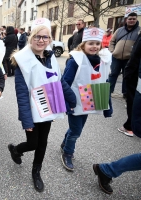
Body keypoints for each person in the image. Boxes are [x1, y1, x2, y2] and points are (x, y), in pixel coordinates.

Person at [8, 18, 76, 192]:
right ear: (31, 38)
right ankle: (16, 149)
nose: (41, 40)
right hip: (32, 110)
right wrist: (27, 121)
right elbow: (22, 94)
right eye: (37, 36)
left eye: (45, 37)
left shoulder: (51, 57)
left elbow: (58, 81)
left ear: (50, 39)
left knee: (43, 142)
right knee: (33, 143)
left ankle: (36, 171)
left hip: (49, 107)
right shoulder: (22, 61)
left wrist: (71, 98)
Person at [60, 28, 113, 171]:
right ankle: (67, 153)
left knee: (78, 127)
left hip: (90, 98)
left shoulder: (103, 61)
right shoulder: (75, 60)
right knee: (76, 130)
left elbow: (104, 82)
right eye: (90, 43)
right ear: (83, 45)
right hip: (75, 101)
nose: (94, 46)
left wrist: (108, 107)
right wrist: (66, 102)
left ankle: (65, 143)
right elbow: (65, 82)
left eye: (97, 43)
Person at [109, 12, 140, 99]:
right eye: (130, 19)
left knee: (127, 76)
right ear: (126, 20)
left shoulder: (139, 31)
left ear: (136, 20)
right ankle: (109, 91)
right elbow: (112, 42)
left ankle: (125, 93)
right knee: (113, 74)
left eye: (134, 19)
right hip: (116, 57)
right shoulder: (119, 30)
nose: (131, 20)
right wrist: (112, 51)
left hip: (129, 59)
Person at [120, 31, 141, 137]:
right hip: (135, 72)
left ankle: (129, 127)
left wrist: (127, 72)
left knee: (133, 100)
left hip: (135, 73)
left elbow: (136, 55)